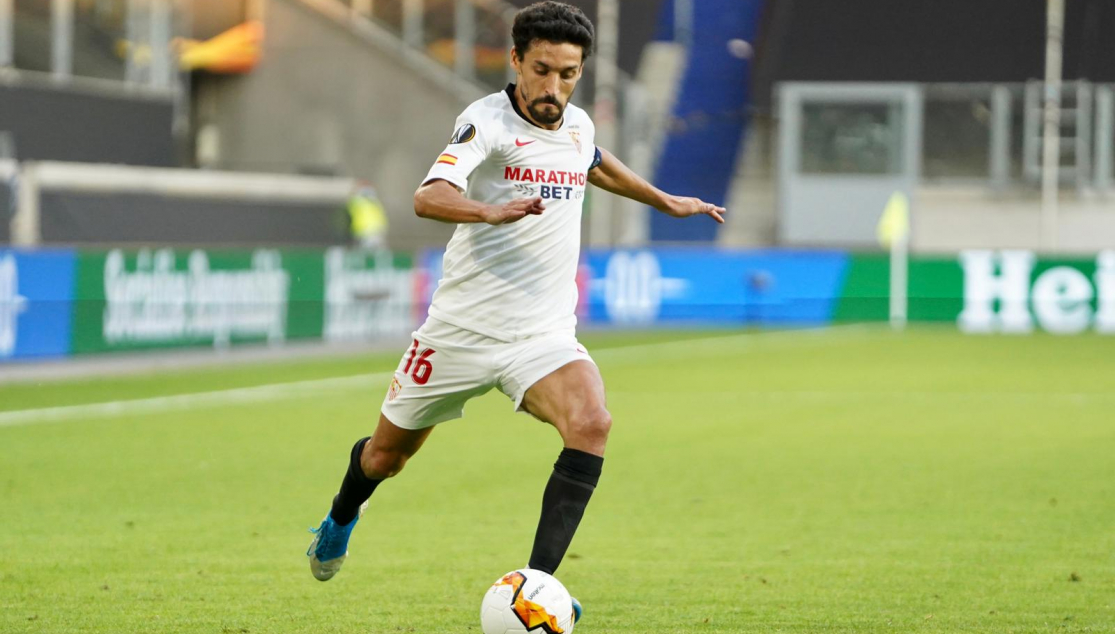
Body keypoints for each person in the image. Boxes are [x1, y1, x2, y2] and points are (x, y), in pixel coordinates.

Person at [307, 0, 725, 621]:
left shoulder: (577, 124)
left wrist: (664, 200)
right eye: (542, 71)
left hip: (541, 333)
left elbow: (593, 160)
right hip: (458, 332)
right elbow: (430, 196)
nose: (553, 87)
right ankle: (341, 516)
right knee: (384, 459)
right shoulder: (485, 123)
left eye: (567, 74)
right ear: (515, 61)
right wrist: (489, 210)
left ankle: (538, 586)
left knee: (592, 423)